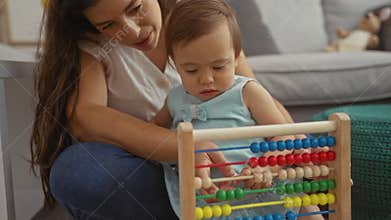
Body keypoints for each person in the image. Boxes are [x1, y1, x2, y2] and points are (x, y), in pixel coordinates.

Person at [31, 0, 302, 219]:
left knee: (307, 166)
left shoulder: (203, 24)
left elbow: (262, 102)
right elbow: (86, 118)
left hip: (243, 170)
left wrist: (298, 156)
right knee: (78, 170)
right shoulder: (92, 49)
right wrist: (185, 147)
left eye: (136, 8)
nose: (132, 31)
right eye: (108, 25)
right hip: (165, 176)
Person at [152, 0, 323, 219]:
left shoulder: (248, 92)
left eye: (218, 67)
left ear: (236, 58)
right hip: (213, 199)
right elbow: (154, 131)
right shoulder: (175, 99)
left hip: (263, 184)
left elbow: (283, 134)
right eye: (191, 69)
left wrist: (265, 166)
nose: (206, 79)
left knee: (304, 208)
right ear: (175, 63)